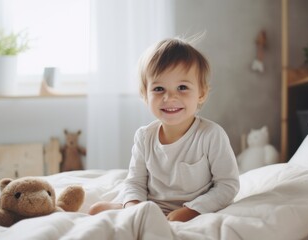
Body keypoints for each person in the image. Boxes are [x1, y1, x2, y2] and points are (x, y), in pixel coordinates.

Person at [89, 37, 240, 222]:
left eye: (182, 87)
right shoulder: (144, 137)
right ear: (145, 95)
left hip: (194, 208)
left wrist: (192, 210)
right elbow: (135, 182)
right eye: (159, 88)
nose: (169, 97)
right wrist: (134, 207)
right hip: (151, 207)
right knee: (96, 210)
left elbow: (227, 185)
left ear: (201, 93)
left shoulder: (211, 135)